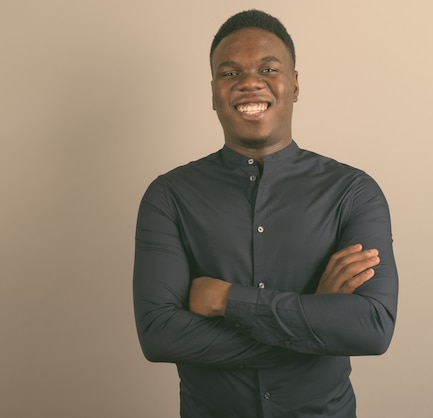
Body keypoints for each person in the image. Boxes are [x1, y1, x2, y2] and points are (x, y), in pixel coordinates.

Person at [133, 9, 398, 418]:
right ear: (213, 92)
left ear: (294, 85)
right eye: (229, 73)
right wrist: (313, 321)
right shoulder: (169, 196)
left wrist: (227, 300)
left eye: (268, 68)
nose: (249, 82)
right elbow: (159, 336)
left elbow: (372, 327)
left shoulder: (353, 191)